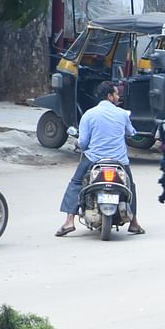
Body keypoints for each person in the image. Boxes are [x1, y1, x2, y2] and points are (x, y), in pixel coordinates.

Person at [56, 81, 144, 236]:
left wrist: (78, 144)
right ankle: (134, 223)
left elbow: (83, 143)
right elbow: (131, 133)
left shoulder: (89, 115)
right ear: (110, 96)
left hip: (93, 160)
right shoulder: (123, 114)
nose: (118, 97)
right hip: (119, 161)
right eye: (116, 94)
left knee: (76, 183)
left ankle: (69, 221)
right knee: (130, 186)